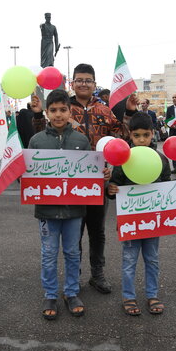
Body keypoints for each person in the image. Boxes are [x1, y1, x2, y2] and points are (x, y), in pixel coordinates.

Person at [31, 63, 137, 295]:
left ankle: (97, 274)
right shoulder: (64, 106)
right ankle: (74, 275)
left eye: (88, 80)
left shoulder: (105, 110)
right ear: (72, 83)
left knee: (97, 230)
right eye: (79, 80)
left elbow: (122, 138)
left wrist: (128, 112)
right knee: (74, 231)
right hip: (68, 183)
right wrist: (38, 112)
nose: (83, 84)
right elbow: (40, 134)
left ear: (94, 83)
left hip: (99, 182)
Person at [107, 112, 176, 316]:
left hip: (153, 222)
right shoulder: (123, 160)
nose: (142, 140)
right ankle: (128, 297)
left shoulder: (160, 159)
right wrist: (110, 189)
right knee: (129, 260)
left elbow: (165, 187)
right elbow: (115, 185)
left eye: (146, 135)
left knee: (152, 259)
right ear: (130, 135)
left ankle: (152, 294)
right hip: (130, 223)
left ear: (152, 134)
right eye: (137, 136)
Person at [28, 89, 95, 320]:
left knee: (72, 252)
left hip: (75, 210)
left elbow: (90, 173)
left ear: (70, 111)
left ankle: (71, 292)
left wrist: (101, 175)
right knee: (48, 253)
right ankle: (50, 294)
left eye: (63, 110)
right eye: (53, 110)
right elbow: (29, 176)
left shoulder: (81, 140)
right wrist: (22, 174)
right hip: (46, 211)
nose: (58, 115)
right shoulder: (36, 141)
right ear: (46, 112)